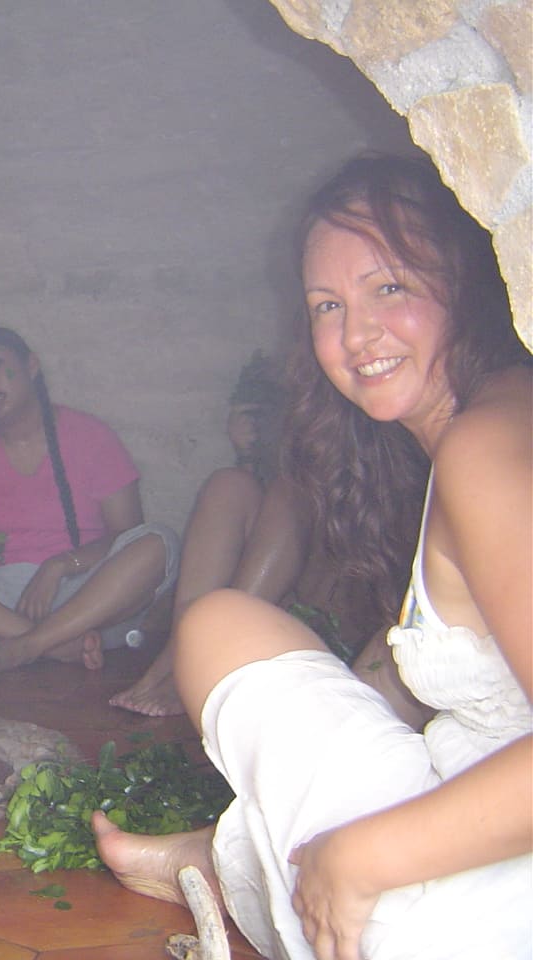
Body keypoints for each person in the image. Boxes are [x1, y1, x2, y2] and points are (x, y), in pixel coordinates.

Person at [94, 154, 531, 960]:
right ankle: (230, 854)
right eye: (327, 305)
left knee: (216, 629)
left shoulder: (486, 448)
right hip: (479, 806)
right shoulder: (493, 414)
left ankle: (238, 866)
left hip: (487, 908)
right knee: (226, 625)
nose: (356, 335)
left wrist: (365, 857)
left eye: (389, 287)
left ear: (466, 283)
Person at [0, 327, 179, 679]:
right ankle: (50, 644)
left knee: (159, 543)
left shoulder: (92, 437)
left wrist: (58, 566)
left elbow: (126, 534)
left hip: (85, 594)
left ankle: (27, 644)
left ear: (32, 366)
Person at [110, 356, 389, 718]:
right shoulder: (269, 469)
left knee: (289, 495)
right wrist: (249, 453)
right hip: (262, 601)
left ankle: (196, 666)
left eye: (265, 412)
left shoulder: (368, 432)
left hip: (337, 608)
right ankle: (179, 657)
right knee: (228, 486)